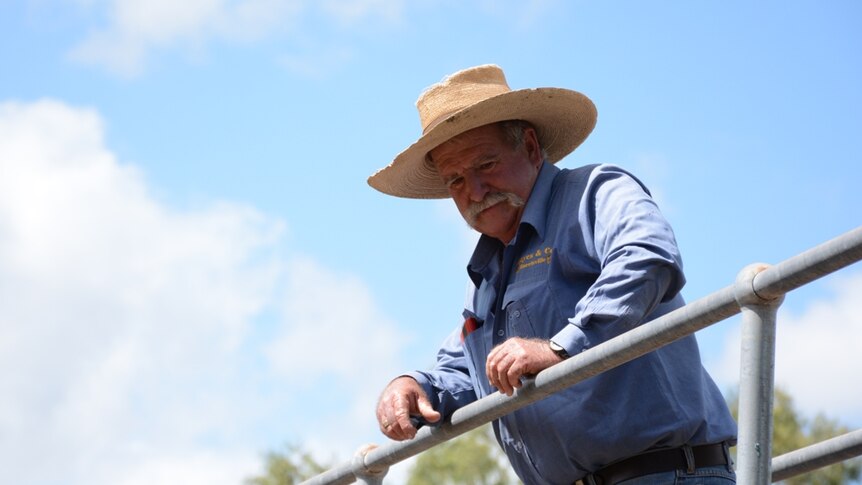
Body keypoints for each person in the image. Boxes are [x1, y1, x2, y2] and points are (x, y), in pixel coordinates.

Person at [367, 64, 738, 485]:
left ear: (529, 147)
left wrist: (562, 349)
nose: (474, 190)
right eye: (455, 180)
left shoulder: (595, 193)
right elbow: (466, 371)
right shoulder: (486, 280)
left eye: (486, 164)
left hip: (661, 473)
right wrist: (414, 387)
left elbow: (647, 256)